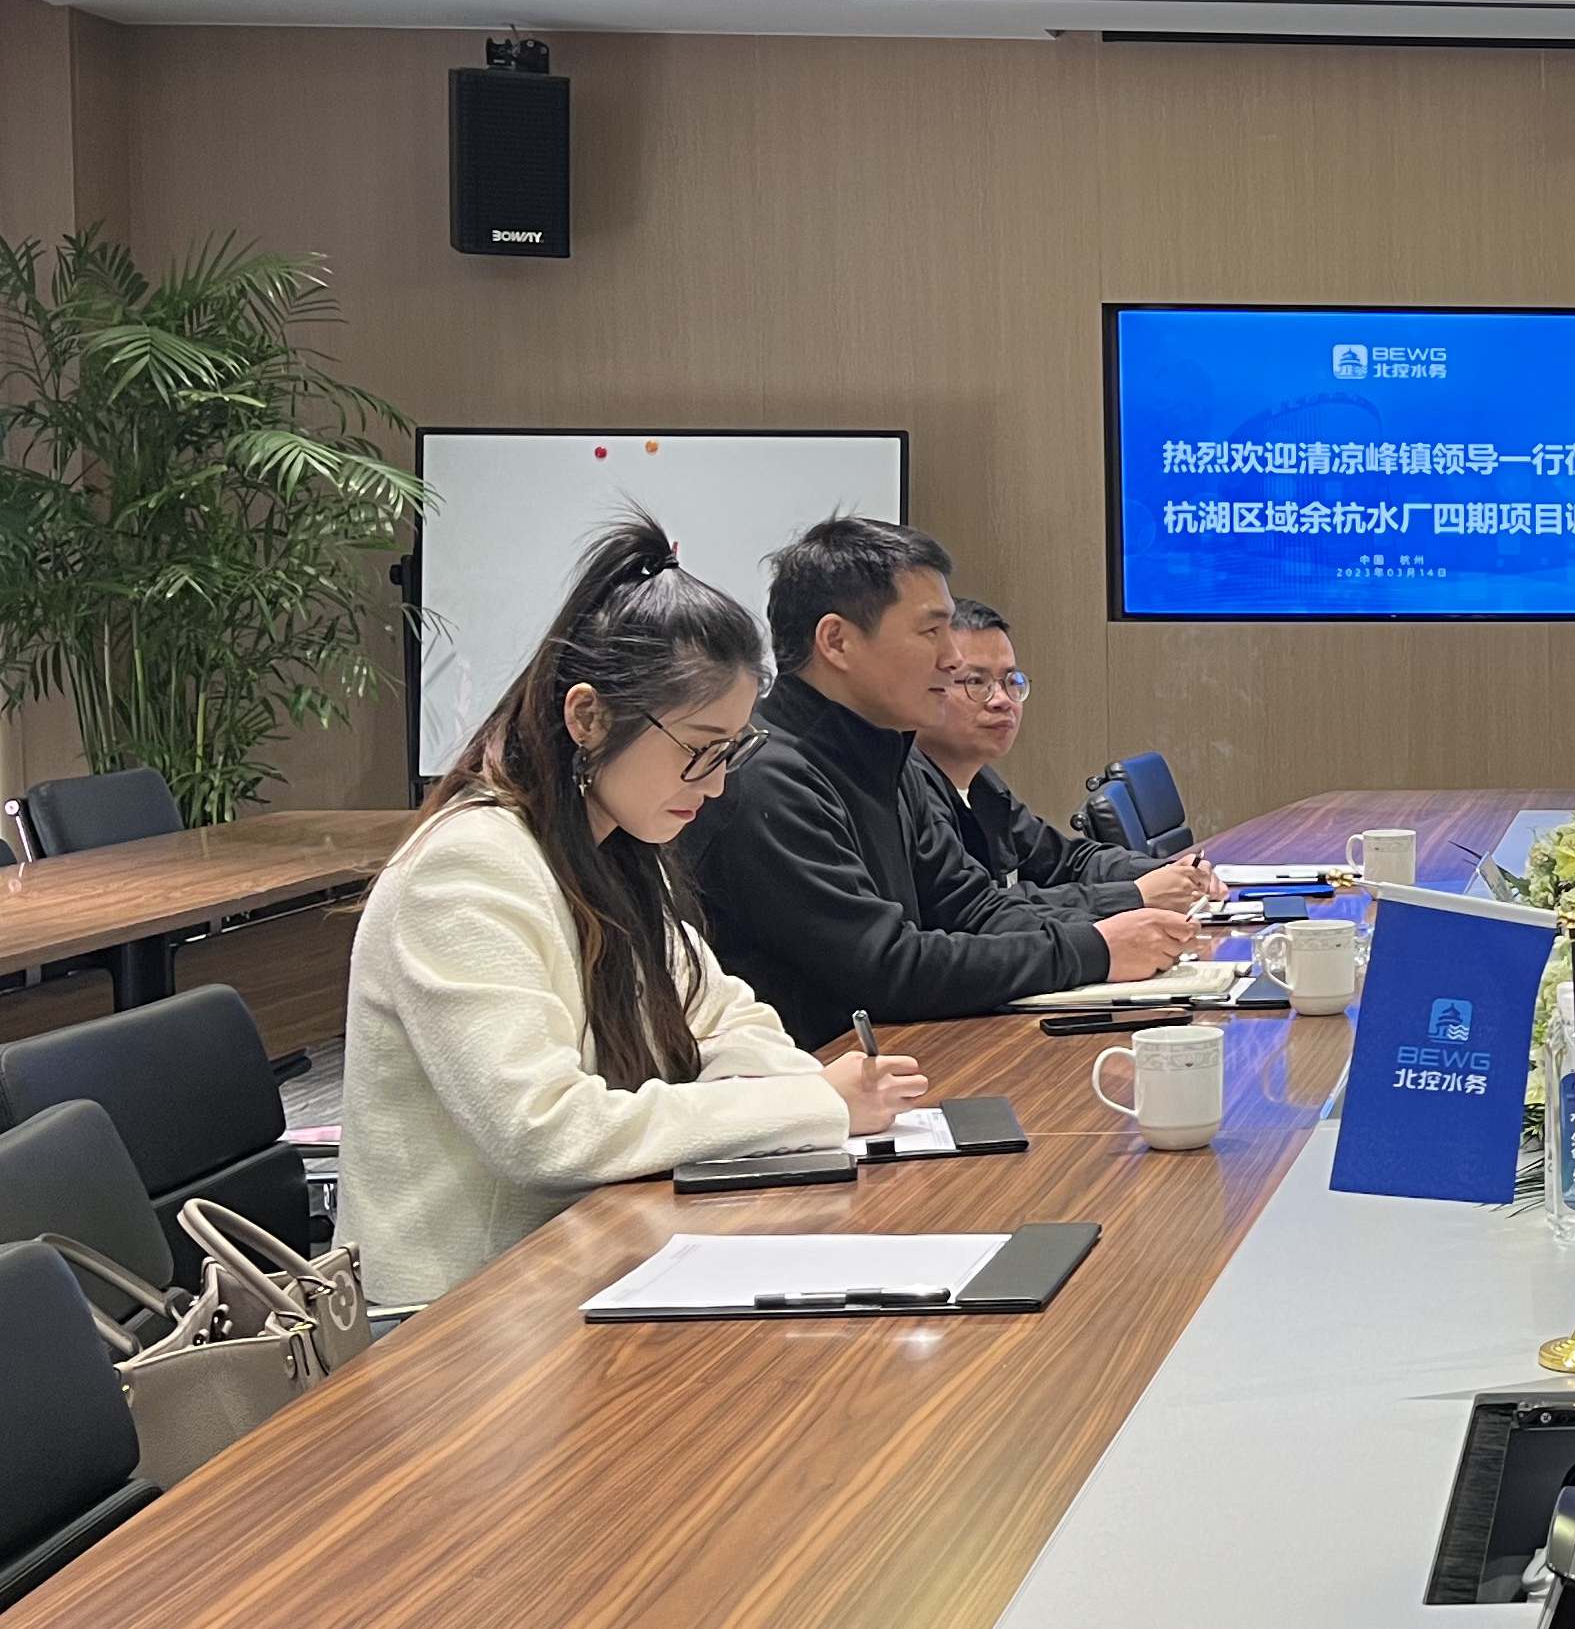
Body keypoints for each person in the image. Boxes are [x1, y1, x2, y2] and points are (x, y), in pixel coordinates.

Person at [337, 520, 929, 1312]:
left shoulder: (615, 848)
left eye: (731, 752)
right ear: (587, 718)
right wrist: (812, 1102)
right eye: (699, 749)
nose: (715, 785)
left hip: (593, 1258)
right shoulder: (467, 869)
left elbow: (728, 1016)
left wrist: (787, 1091)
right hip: (457, 1318)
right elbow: (545, 1132)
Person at [694, 517, 1195, 1030]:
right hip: (824, 1070)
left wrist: (1122, 932)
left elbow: (973, 909)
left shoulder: (891, 756)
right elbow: (886, 968)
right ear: (837, 641)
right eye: (931, 631)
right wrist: (1094, 950)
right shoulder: (766, 778)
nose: (953, 658)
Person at [913, 599, 1220, 915]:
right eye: (976, 682)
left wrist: (1169, 871)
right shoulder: (909, 794)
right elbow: (981, 911)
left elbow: (1065, 861)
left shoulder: (981, 783)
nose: (1002, 700)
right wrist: (1135, 894)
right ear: (927, 685)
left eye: (1010, 681)